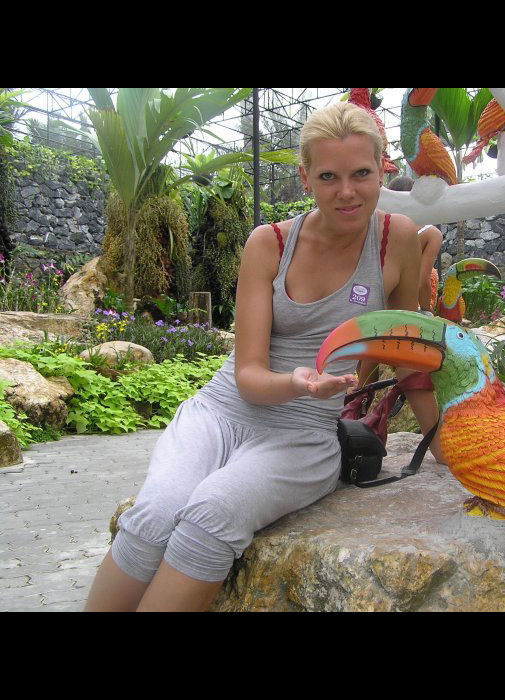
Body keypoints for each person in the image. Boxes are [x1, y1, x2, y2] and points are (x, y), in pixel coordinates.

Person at [84, 102, 441, 613]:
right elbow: (248, 375)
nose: (347, 191)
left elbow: (407, 352)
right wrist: (299, 381)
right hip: (222, 412)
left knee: (211, 515)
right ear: (305, 178)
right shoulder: (269, 244)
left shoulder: (395, 238)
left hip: (302, 436)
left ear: (382, 169)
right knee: (154, 516)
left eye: (361, 173)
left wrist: (443, 444)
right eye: (329, 176)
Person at [386, 176, 443, 313]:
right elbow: (421, 282)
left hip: (375, 303)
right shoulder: (431, 234)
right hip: (406, 309)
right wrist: (427, 310)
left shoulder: (380, 227)